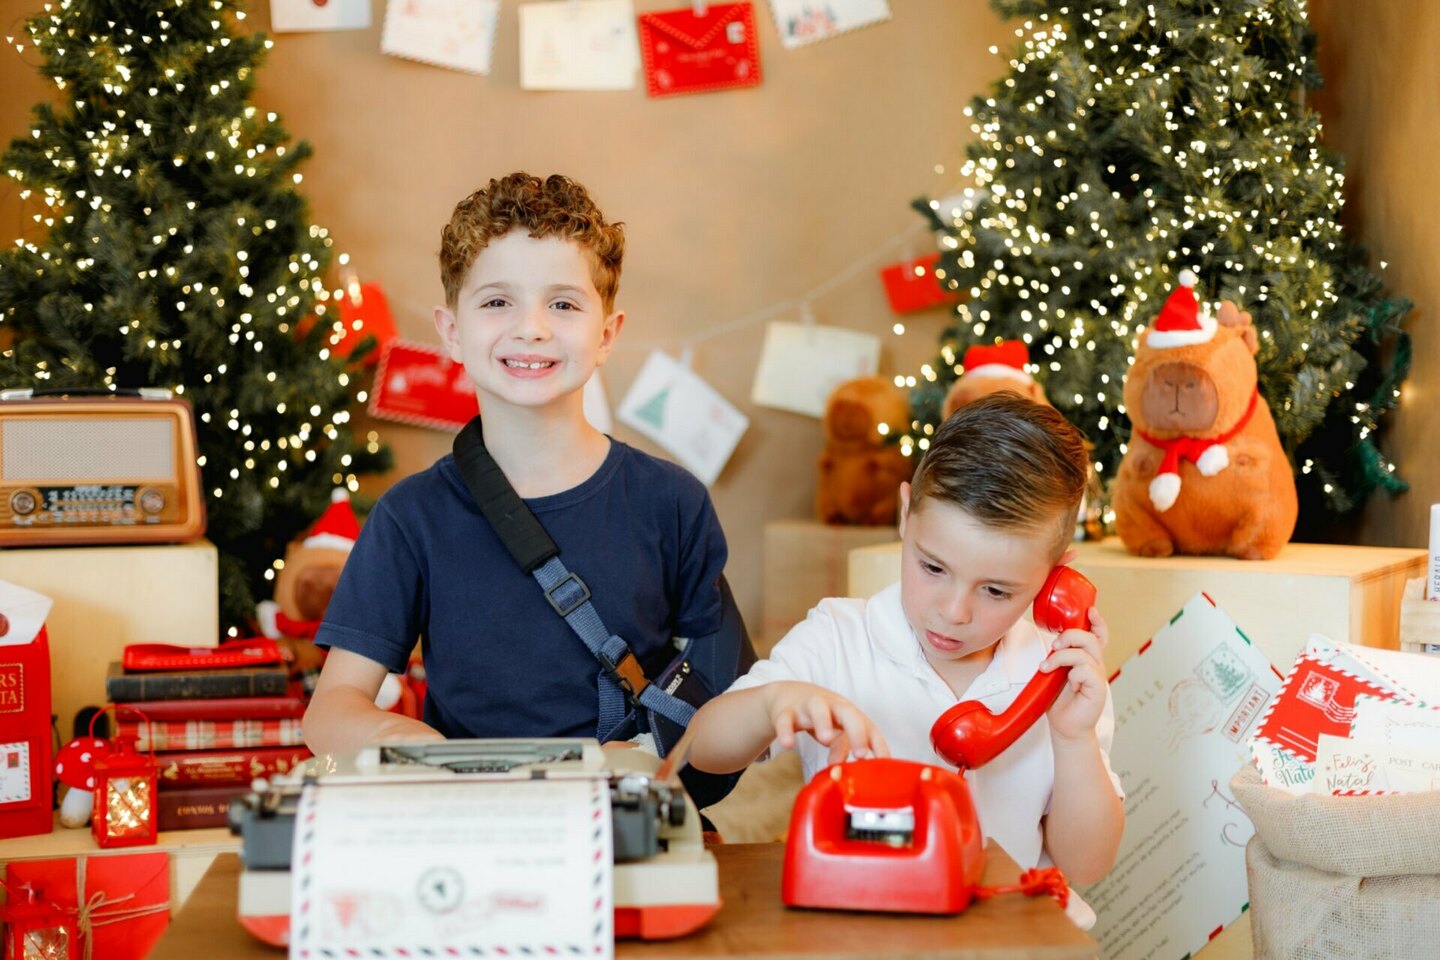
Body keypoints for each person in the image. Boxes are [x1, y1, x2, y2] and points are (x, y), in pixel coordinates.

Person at [304, 173, 744, 805]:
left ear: (608, 333)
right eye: (496, 302)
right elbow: (329, 712)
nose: (531, 328)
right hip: (470, 820)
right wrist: (427, 753)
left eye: (563, 304)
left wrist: (650, 756)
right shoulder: (410, 517)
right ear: (451, 331)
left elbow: (723, 702)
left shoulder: (673, 503)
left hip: (620, 818)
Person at [686, 392, 1124, 926]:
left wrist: (1073, 740)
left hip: (1012, 935)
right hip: (861, 930)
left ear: (1058, 578)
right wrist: (773, 702)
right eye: (933, 568)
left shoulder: (1060, 674)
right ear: (903, 514)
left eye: (996, 591)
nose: (954, 612)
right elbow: (704, 751)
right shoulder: (837, 637)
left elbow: (1090, 862)